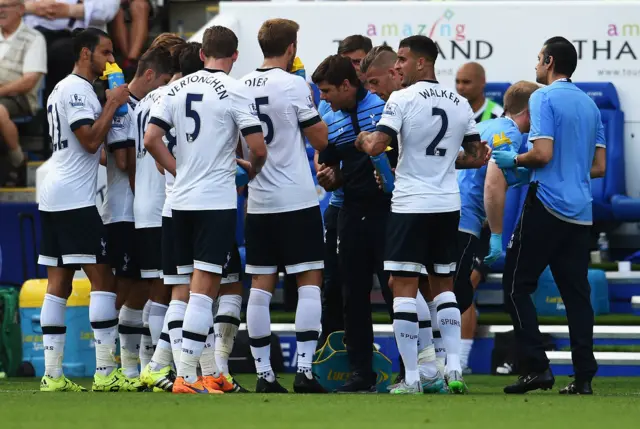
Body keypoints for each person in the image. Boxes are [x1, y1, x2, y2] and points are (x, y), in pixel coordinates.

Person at [356, 35, 488, 394]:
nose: (397, 65)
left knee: (403, 289)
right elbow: (476, 155)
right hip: (447, 205)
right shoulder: (460, 102)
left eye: (402, 59)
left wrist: (363, 140)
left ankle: (413, 377)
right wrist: (447, 160)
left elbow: (378, 144)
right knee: (443, 287)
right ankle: (454, 370)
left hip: (411, 204)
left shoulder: (401, 98)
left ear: (421, 62)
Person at [144, 25, 266, 395]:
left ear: (201, 54)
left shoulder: (172, 89)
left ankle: (184, 374)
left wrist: (178, 171)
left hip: (178, 201)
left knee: (182, 289)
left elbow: (151, 138)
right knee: (204, 289)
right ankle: (187, 377)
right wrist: (249, 174)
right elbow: (257, 148)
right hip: (214, 201)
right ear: (234, 55)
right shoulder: (234, 89)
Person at [492, 36, 606, 395]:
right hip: (580, 211)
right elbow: (599, 166)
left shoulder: (541, 96)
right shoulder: (591, 106)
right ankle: (584, 376)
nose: (536, 65)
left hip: (547, 205)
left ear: (550, 61)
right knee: (576, 296)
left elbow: (541, 153)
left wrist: (517, 161)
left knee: (514, 286)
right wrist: (564, 170)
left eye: (539, 59)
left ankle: (538, 367)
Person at [37, 27, 130, 392]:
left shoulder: (63, 89)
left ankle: (52, 375)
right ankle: (106, 373)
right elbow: (91, 141)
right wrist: (112, 103)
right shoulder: (77, 90)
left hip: (54, 193)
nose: (111, 60)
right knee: (104, 280)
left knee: (57, 283)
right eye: (105, 53)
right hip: (74, 198)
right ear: (85, 53)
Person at [240, 18, 328, 394]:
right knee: (309, 282)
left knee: (260, 286)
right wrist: (311, 97)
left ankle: (264, 375)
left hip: (258, 200)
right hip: (296, 198)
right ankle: (305, 371)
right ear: (291, 48)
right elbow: (320, 138)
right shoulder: (294, 85)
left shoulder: (238, 85)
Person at [312, 54, 394, 393]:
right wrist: (331, 178)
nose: (324, 98)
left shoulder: (384, 110)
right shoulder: (329, 117)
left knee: (396, 293)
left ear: (347, 85)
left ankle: (416, 370)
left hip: (388, 213)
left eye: (328, 91)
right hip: (350, 213)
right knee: (353, 296)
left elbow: (397, 155)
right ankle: (361, 373)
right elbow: (329, 163)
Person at [102, 46, 173, 390]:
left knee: (144, 288)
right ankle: (122, 365)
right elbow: (122, 161)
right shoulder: (126, 105)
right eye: (163, 78)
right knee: (130, 288)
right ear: (150, 75)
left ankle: (138, 367)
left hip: (138, 209)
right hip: (128, 211)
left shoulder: (139, 105)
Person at [315, 34, 372, 345]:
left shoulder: (382, 104)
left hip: (379, 207)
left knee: (393, 285)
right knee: (335, 284)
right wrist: (326, 172)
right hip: (340, 206)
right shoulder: (329, 108)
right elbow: (322, 153)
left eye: (360, 62)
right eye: (351, 61)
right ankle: (334, 352)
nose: (357, 68)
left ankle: (415, 367)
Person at [455, 61, 506, 374]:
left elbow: (502, 173)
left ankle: (460, 360)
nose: (461, 88)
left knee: (463, 284)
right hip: (455, 212)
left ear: (483, 83)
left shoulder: (498, 118)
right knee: (452, 283)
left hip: (482, 220)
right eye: (457, 82)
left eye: (467, 82)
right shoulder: (453, 112)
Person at [24, 0, 120, 155]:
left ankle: (54, 139)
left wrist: (71, 10)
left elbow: (110, 7)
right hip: (28, 34)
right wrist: (28, 7)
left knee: (61, 56)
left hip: (74, 36)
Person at [0, 0, 47, 182]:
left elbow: (29, 82)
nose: (1, 11)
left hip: (20, 97)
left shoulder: (34, 38)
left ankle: (18, 160)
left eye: (5, 6)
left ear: (20, 9)